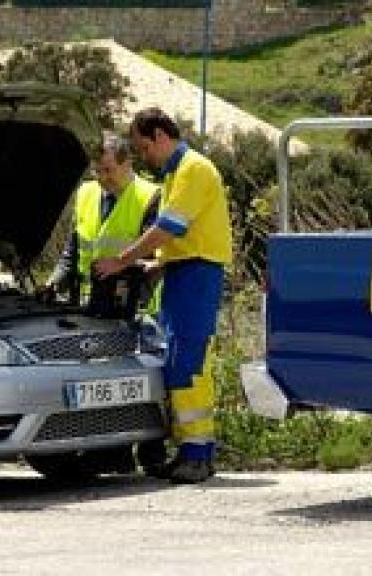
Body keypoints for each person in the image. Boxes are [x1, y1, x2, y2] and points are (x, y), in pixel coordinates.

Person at [95, 108, 233, 484]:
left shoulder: (193, 169)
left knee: (189, 363)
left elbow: (169, 228)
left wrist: (122, 261)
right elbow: (179, 236)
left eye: (143, 147)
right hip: (181, 272)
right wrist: (157, 266)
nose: (144, 157)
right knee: (177, 361)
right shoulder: (176, 173)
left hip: (197, 275)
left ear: (160, 136)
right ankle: (189, 449)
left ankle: (199, 453)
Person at [44, 132, 159, 309]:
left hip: (127, 307)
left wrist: (136, 306)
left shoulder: (150, 197)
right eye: (97, 171)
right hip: (85, 304)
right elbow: (72, 253)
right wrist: (52, 285)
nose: (102, 178)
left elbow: (153, 263)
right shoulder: (85, 193)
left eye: (108, 170)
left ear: (128, 163)